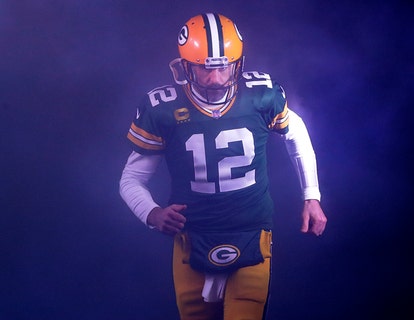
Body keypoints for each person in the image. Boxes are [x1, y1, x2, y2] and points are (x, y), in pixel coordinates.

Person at [119, 12, 327, 320]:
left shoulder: (261, 96)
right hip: (192, 236)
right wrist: (152, 213)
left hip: (251, 232)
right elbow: (131, 179)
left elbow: (295, 132)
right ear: (184, 65)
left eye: (224, 67)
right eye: (204, 69)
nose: (215, 79)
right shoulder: (162, 110)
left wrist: (312, 196)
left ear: (238, 63)